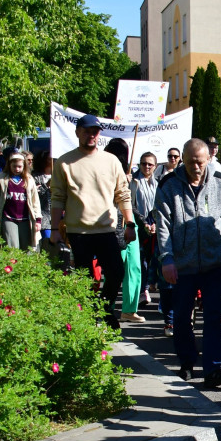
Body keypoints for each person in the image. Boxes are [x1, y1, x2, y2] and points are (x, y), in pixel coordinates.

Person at [155, 138, 221, 387]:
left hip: (215, 264)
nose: (196, 167)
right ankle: (187, 363)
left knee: (214, 317)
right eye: (191, 162)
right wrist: (166, 258)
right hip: (182, 264)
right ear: (182, 159)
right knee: (181, 317)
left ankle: (213, 369)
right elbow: (163, 226)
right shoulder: (169, 185)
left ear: (208, 160)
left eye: (200, 162)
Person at [50, 114, 133, 329]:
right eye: (86, 130)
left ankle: (103, 308)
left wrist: (130, 223)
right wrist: (54, 229)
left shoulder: (111, 160)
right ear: (78, 132)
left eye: (95, 131)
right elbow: (58, 197)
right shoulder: (64, 162)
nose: (91, 135)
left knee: (116, 272)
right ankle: (87, 321)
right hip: (78, 231)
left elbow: (123, 194)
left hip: (107, 229)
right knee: (86, 280)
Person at [104, 138, 146, 324]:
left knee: (134, 267)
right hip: (114, 223)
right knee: (115, 269)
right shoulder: (104, 169)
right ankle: (108, 307)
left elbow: (129, 204)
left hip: (129, 224)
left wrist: (142, 221)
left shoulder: (127, 172)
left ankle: (129, 309)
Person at [0, 153, 41, 251]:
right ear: (9, 165)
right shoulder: (2, 178)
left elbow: (35, 201)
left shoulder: (29, 179)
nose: (17, 169)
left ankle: (24, 265)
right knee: (12, 246)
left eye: (19, 167)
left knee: (27, 247)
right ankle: (12, 264)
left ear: (24, 166)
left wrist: (37, 220)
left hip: (25, 218)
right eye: (14, 166)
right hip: (8, 217)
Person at [130, 151, 159, 312]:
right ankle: (142, 290)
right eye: (143, 163)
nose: (146, 167)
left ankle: (147, 285)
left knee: (151, 258)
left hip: (154, 225)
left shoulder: (158, 182)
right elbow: (131, 204)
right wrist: (143, 222)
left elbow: (160, 204)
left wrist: (154, 221)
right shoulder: (134, 181)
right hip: (138, 225)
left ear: (155, 166)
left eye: (150, 164)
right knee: (141, 260)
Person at [32, 150, 53, 242]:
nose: (52, 160)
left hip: (58, 213)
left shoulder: (58, 175)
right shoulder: (35, 176)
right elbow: (34, 193)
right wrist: (46, 186)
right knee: (47, 240)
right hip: (43, 213)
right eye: (49, 159)